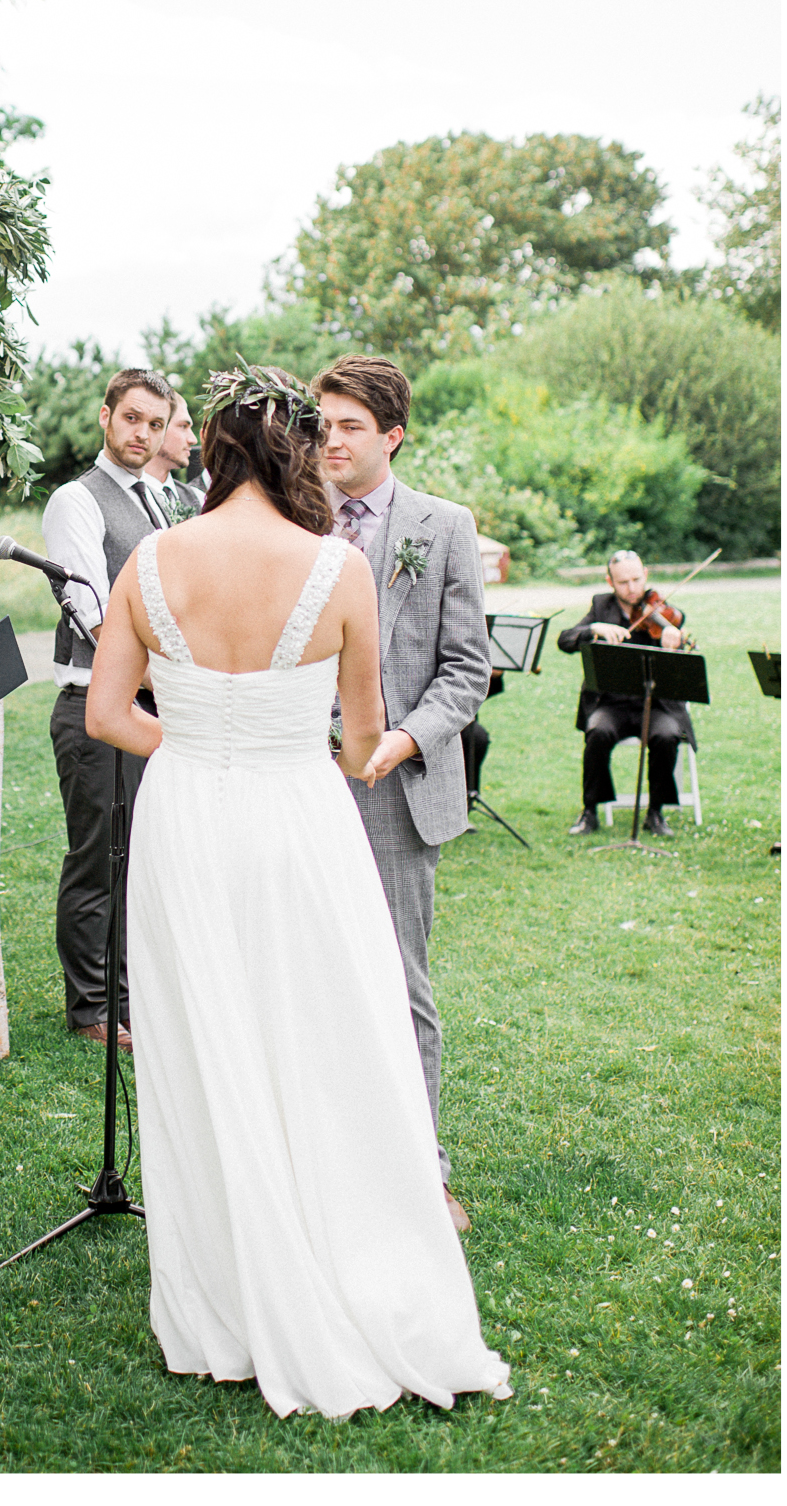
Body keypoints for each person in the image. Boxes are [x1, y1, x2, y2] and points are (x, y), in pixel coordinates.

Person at [88, 364, 510, 1420]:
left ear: (215, 448)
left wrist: (193, 745)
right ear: (292, 451)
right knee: (320, 1026)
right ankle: (337, 1239)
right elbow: (363, 739)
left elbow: (105, 713)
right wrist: (288, 746)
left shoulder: (151, 557)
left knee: (201, 1033)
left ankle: (222, 1301)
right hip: (299, 816)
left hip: (185, 817)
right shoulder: (337, 567)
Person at [312, 353, 489, 1228]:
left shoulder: (442, 525)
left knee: (400, 981)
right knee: (311, 971)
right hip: (300, 782)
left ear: (393, 434)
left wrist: (403, 738)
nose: (331, 441)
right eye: (324, 424)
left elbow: (467, 669)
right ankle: (329, 1153)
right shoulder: (295, 519)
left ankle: (424, 1164)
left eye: (349, 426)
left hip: (397, 786)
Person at [38, 367, 178, 1049]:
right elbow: (89, 608)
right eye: (132, 419)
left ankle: (130, 993)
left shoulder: (160, 497)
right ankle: (92, 1007)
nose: (142, 434)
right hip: (94, 704)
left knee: (144, 853)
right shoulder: (77, 499)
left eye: (155, 424)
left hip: (152, 705)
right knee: (99, 857)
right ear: (105, 416)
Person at [558, 550, 697, 836]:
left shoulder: (664, 613)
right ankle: (590, 811)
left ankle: (655, 813)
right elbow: (565, 640)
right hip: (612, 704)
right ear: (610, 581)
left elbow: (681, 675)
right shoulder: (600, 607)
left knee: (667, 735)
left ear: (645, 574)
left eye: (636, 579)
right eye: (623, 582)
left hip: (656, 705)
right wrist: (592, 629)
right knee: (597, 731)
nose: (632, 588)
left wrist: (673, 648)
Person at [146, 390, 203, 520]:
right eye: (183, 426)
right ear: (156, 427)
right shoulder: (120, 496)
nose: (193, 439)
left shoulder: (198, 498)